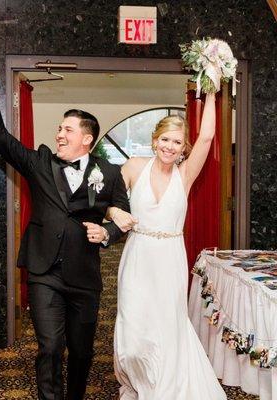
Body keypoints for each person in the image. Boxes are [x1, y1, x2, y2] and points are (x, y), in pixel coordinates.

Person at [0, 65, 130, 400]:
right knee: (49, 346)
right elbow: (1, 140)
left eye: (68, 130)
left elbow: (123, 215)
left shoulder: (110, 172)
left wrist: (106, 233)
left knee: (81, 352)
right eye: (60, 128)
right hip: (44, 271)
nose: (60, 134)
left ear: (86, 138)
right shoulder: (40, 163)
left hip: (85, 276)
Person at [107, 93, 227, 399]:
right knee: (133, 330)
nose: (169, 147)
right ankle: (136, 380)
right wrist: (113, 212)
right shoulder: (134, 167)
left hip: (170, 258)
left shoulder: (185, 175)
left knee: (166, 326)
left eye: (176, 142)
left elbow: (208, 136)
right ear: (154, 139)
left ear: (183, 147)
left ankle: (161, 387)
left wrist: (211, 90)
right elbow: (111, 203)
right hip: (138, 255)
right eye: (165, 140)